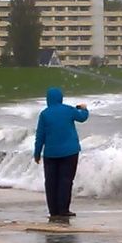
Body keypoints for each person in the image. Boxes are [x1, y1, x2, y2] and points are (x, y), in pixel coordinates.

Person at [33, 87, 89, 218]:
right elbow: (82, 118)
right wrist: (84, 108)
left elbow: (39, 136)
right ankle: (64, 209)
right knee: (66, 181)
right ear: (61, 98)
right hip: (70, 152)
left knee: (51, 182)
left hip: (50, 154)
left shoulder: (44, 114)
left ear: (48, 99)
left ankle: (53, 211)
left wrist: (37, 153)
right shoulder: (69, 110)